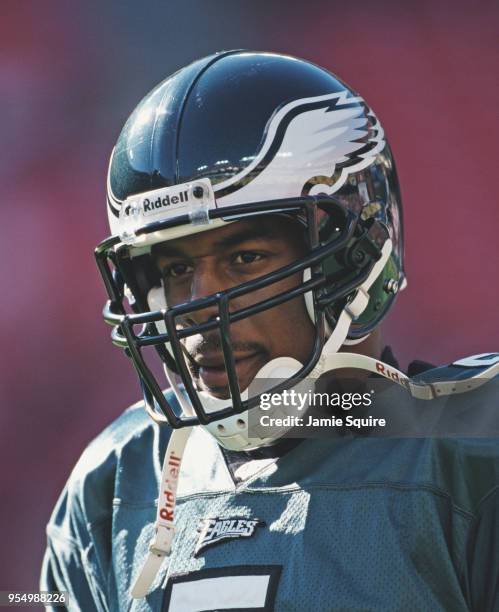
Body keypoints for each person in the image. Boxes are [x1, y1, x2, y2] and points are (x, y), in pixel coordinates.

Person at [41, 50, 499, 611]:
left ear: (353, 257)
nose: (200, 307)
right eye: (176, 268)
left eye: (246, 257)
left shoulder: (472, 456)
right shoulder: (114, 481)